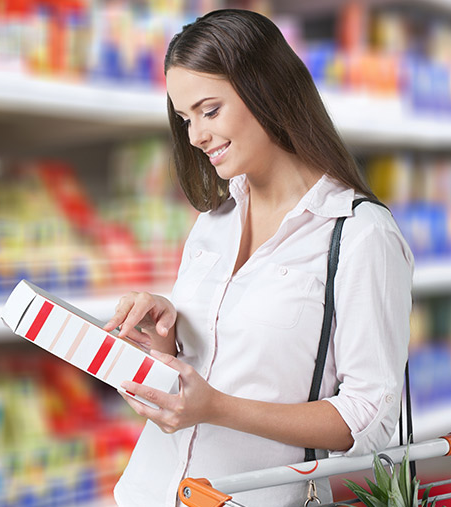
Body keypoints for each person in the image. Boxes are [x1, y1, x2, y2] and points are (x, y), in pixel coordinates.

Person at [103, 9, 414, 507]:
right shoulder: (213, 224)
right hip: (146, 493)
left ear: (264, 89)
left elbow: (370, 420)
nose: (195, 137)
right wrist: (166, 348)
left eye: (209, 111)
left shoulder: (359, 235)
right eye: (185, 119)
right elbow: (210, 370)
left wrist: (216, 409)